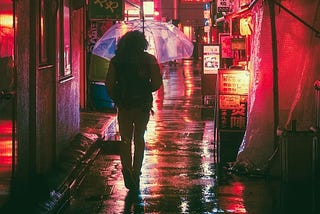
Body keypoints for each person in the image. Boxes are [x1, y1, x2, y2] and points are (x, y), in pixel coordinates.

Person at [105, 30, 163, 193]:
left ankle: (126, 169)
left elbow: (109, 84)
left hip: (124, 105)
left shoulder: (117, 61)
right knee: (139, 138)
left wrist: (117, 98)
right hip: (143, 105)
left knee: (125, 139)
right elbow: (157, 83)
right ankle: (136, 172)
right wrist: (146, 89)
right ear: (142, 44)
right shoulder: (149, 59)